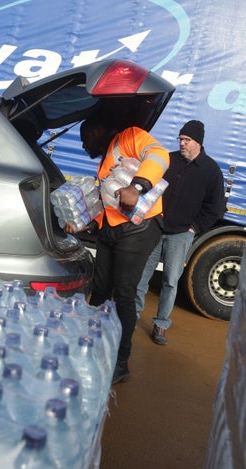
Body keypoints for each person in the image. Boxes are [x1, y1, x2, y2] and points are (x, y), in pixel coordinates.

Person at [66, 117, 169, 384]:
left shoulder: (130, 136)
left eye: (85, 138)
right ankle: (92, 347)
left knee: (124, 293)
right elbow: (109, 203)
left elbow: (159, 156)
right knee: (99, 291)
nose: (83, 145)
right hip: (112, 229)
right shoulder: (104, 160)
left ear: (98, 129)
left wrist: (137, 187)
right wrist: (83, 224)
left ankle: (120, 362)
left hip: (138, 227)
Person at [135, 120, 226, 345]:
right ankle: (131, 315)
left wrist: (195, 227)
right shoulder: (170, 160)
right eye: (181, 139)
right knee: (142, 275)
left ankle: (161, 325)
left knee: (170, 281)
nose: (182, 143)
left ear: (198, 143)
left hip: (181, 234)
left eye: (187, 140)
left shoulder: (210, 170)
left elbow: (215, 207)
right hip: (156, 228)